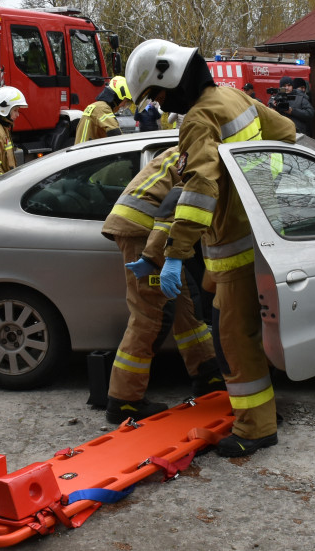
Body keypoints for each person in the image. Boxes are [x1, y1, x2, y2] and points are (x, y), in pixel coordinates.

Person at [125, 38, 296, 458]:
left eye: (159, 94)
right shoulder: (232, 97)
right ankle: (260, 416)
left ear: (173, 78)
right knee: (235, 334)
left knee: (235, 342)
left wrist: (175, 255)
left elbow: (199, 189)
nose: (163, 105)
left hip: (232, 247)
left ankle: (255, 428)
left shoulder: (199, 120)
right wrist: (261, 187)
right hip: (256, 236)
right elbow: (285, 133)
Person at [101, 147, 224, 423]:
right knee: (151, 315)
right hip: (144, 232)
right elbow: (174, 206)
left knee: (184, 305)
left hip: (144, 225)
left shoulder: (196, 146)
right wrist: (153, 257)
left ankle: (208, 374)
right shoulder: (210, 155)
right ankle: (124, 401)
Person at [74, 76, 132, 144]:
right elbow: (115, 134)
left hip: (83, 150)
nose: (124, 106)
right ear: (118, 98)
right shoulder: (103, 109)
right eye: (125, 102)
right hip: (87, 152)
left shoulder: (97, 106)